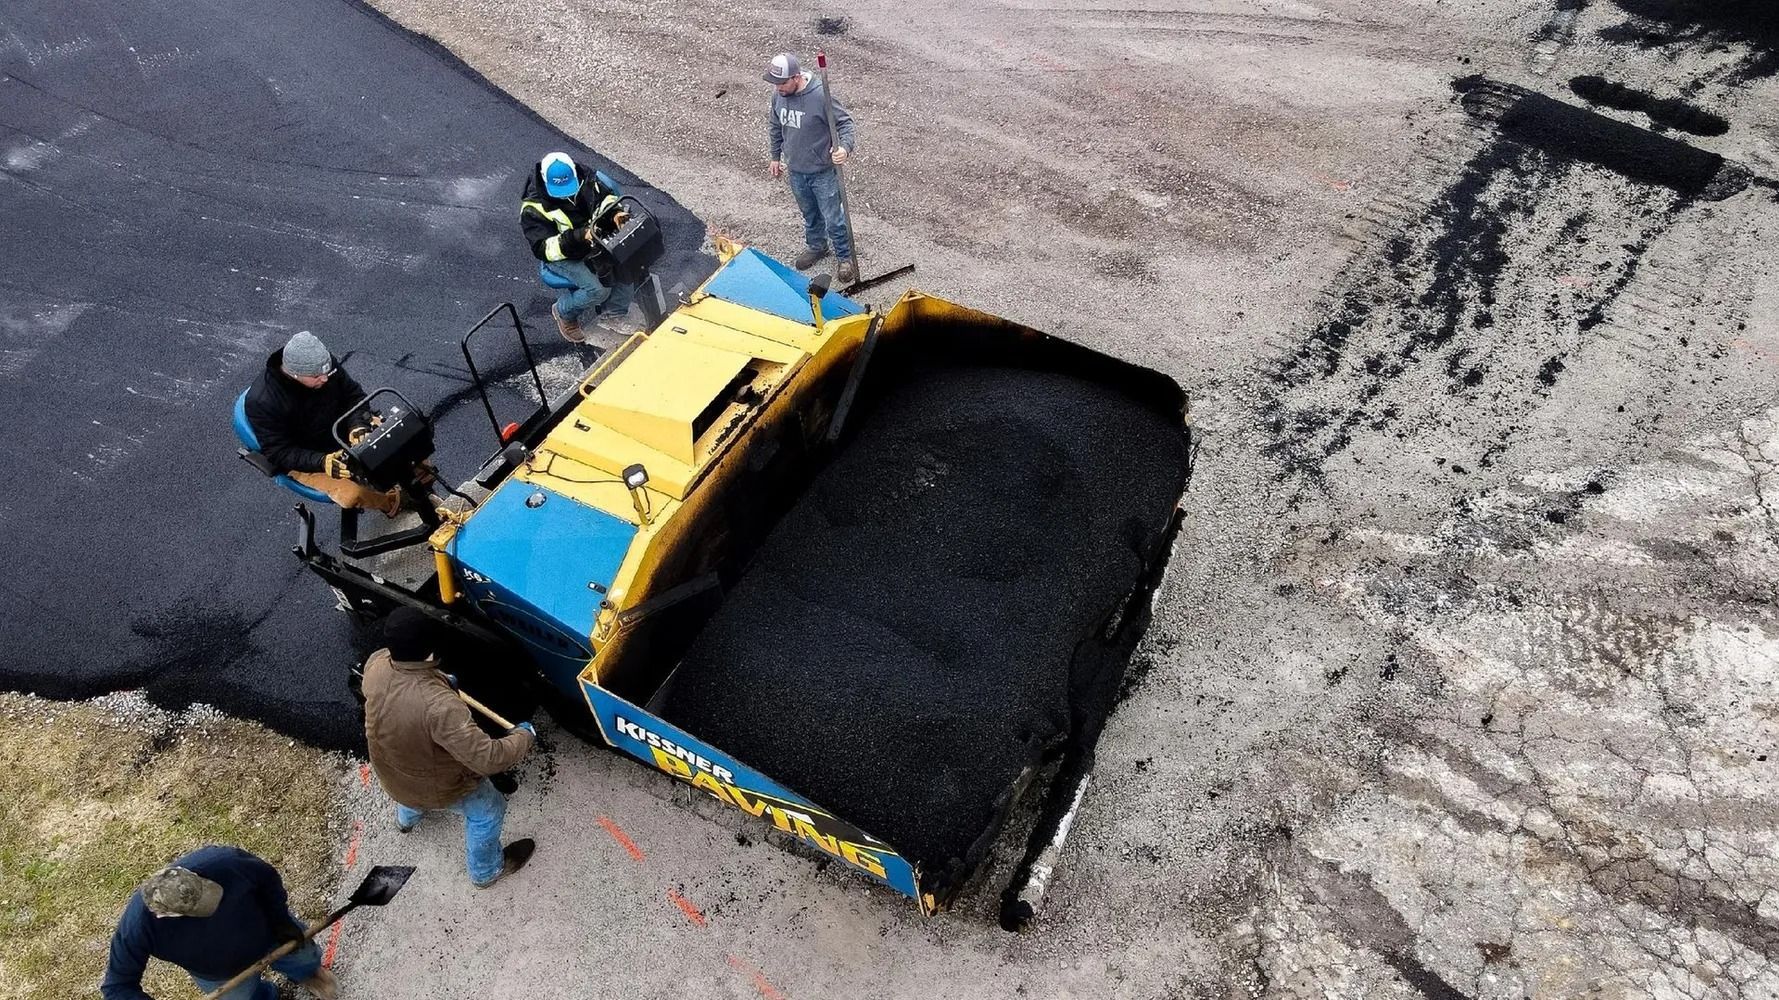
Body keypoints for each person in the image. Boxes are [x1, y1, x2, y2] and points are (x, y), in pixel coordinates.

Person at [362, 607, 537, 888]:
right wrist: (524, 735)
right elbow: (489, 759)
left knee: (407, 788)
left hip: (389, 771)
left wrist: (441, 682)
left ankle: (406, 821)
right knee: (488, 810)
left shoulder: (377, 664)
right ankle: (486, 871)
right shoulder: (440, 708)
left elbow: (404, 697)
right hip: (436, 787)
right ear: (430, 654)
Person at [101, 845, 336, 1000]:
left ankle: (306, 974)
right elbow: (117, 986)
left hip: (270, 933)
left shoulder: (223, 863)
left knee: (304, 958)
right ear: (166, 915)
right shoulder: (137, 929)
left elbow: (267, 878)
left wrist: (281, 920)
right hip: (220, 973)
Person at [244, 330, 402, 516]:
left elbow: (354, 396)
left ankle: (421, 483)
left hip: (340, 430)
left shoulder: (323, 367)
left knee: (403, 442)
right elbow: (278, 452)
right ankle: (393, 503)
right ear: (295, 374)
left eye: (326, 371)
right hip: (308, 457)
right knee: (353, 493)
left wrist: (357, 425)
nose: (325, 378)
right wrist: (320, 462)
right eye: (317, 376)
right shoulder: (262, 402)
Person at [521, 151, 636, 343]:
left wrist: (615, 214)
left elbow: (606, 199)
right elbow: (543, 248)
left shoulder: (588, 178)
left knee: (629, 267)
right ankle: (563, 312)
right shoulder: (533, 208)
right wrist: (579, 236)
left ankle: (613, 315)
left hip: (593, 240)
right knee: (598, 290)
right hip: (563, 255)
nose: (568, 194)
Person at [765, 52, 858, 284]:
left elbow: (845, 124)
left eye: (782, 83)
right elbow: (775, 126)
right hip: (796, 171)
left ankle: (845, 258)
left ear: (796, 77)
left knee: (833, 217)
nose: (778, 88)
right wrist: (775, 156)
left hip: (823, 172)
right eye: (775, 83)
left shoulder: (819, 97)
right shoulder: (778, 96)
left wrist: (844, 149)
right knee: (810, 214)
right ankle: (817, 246)